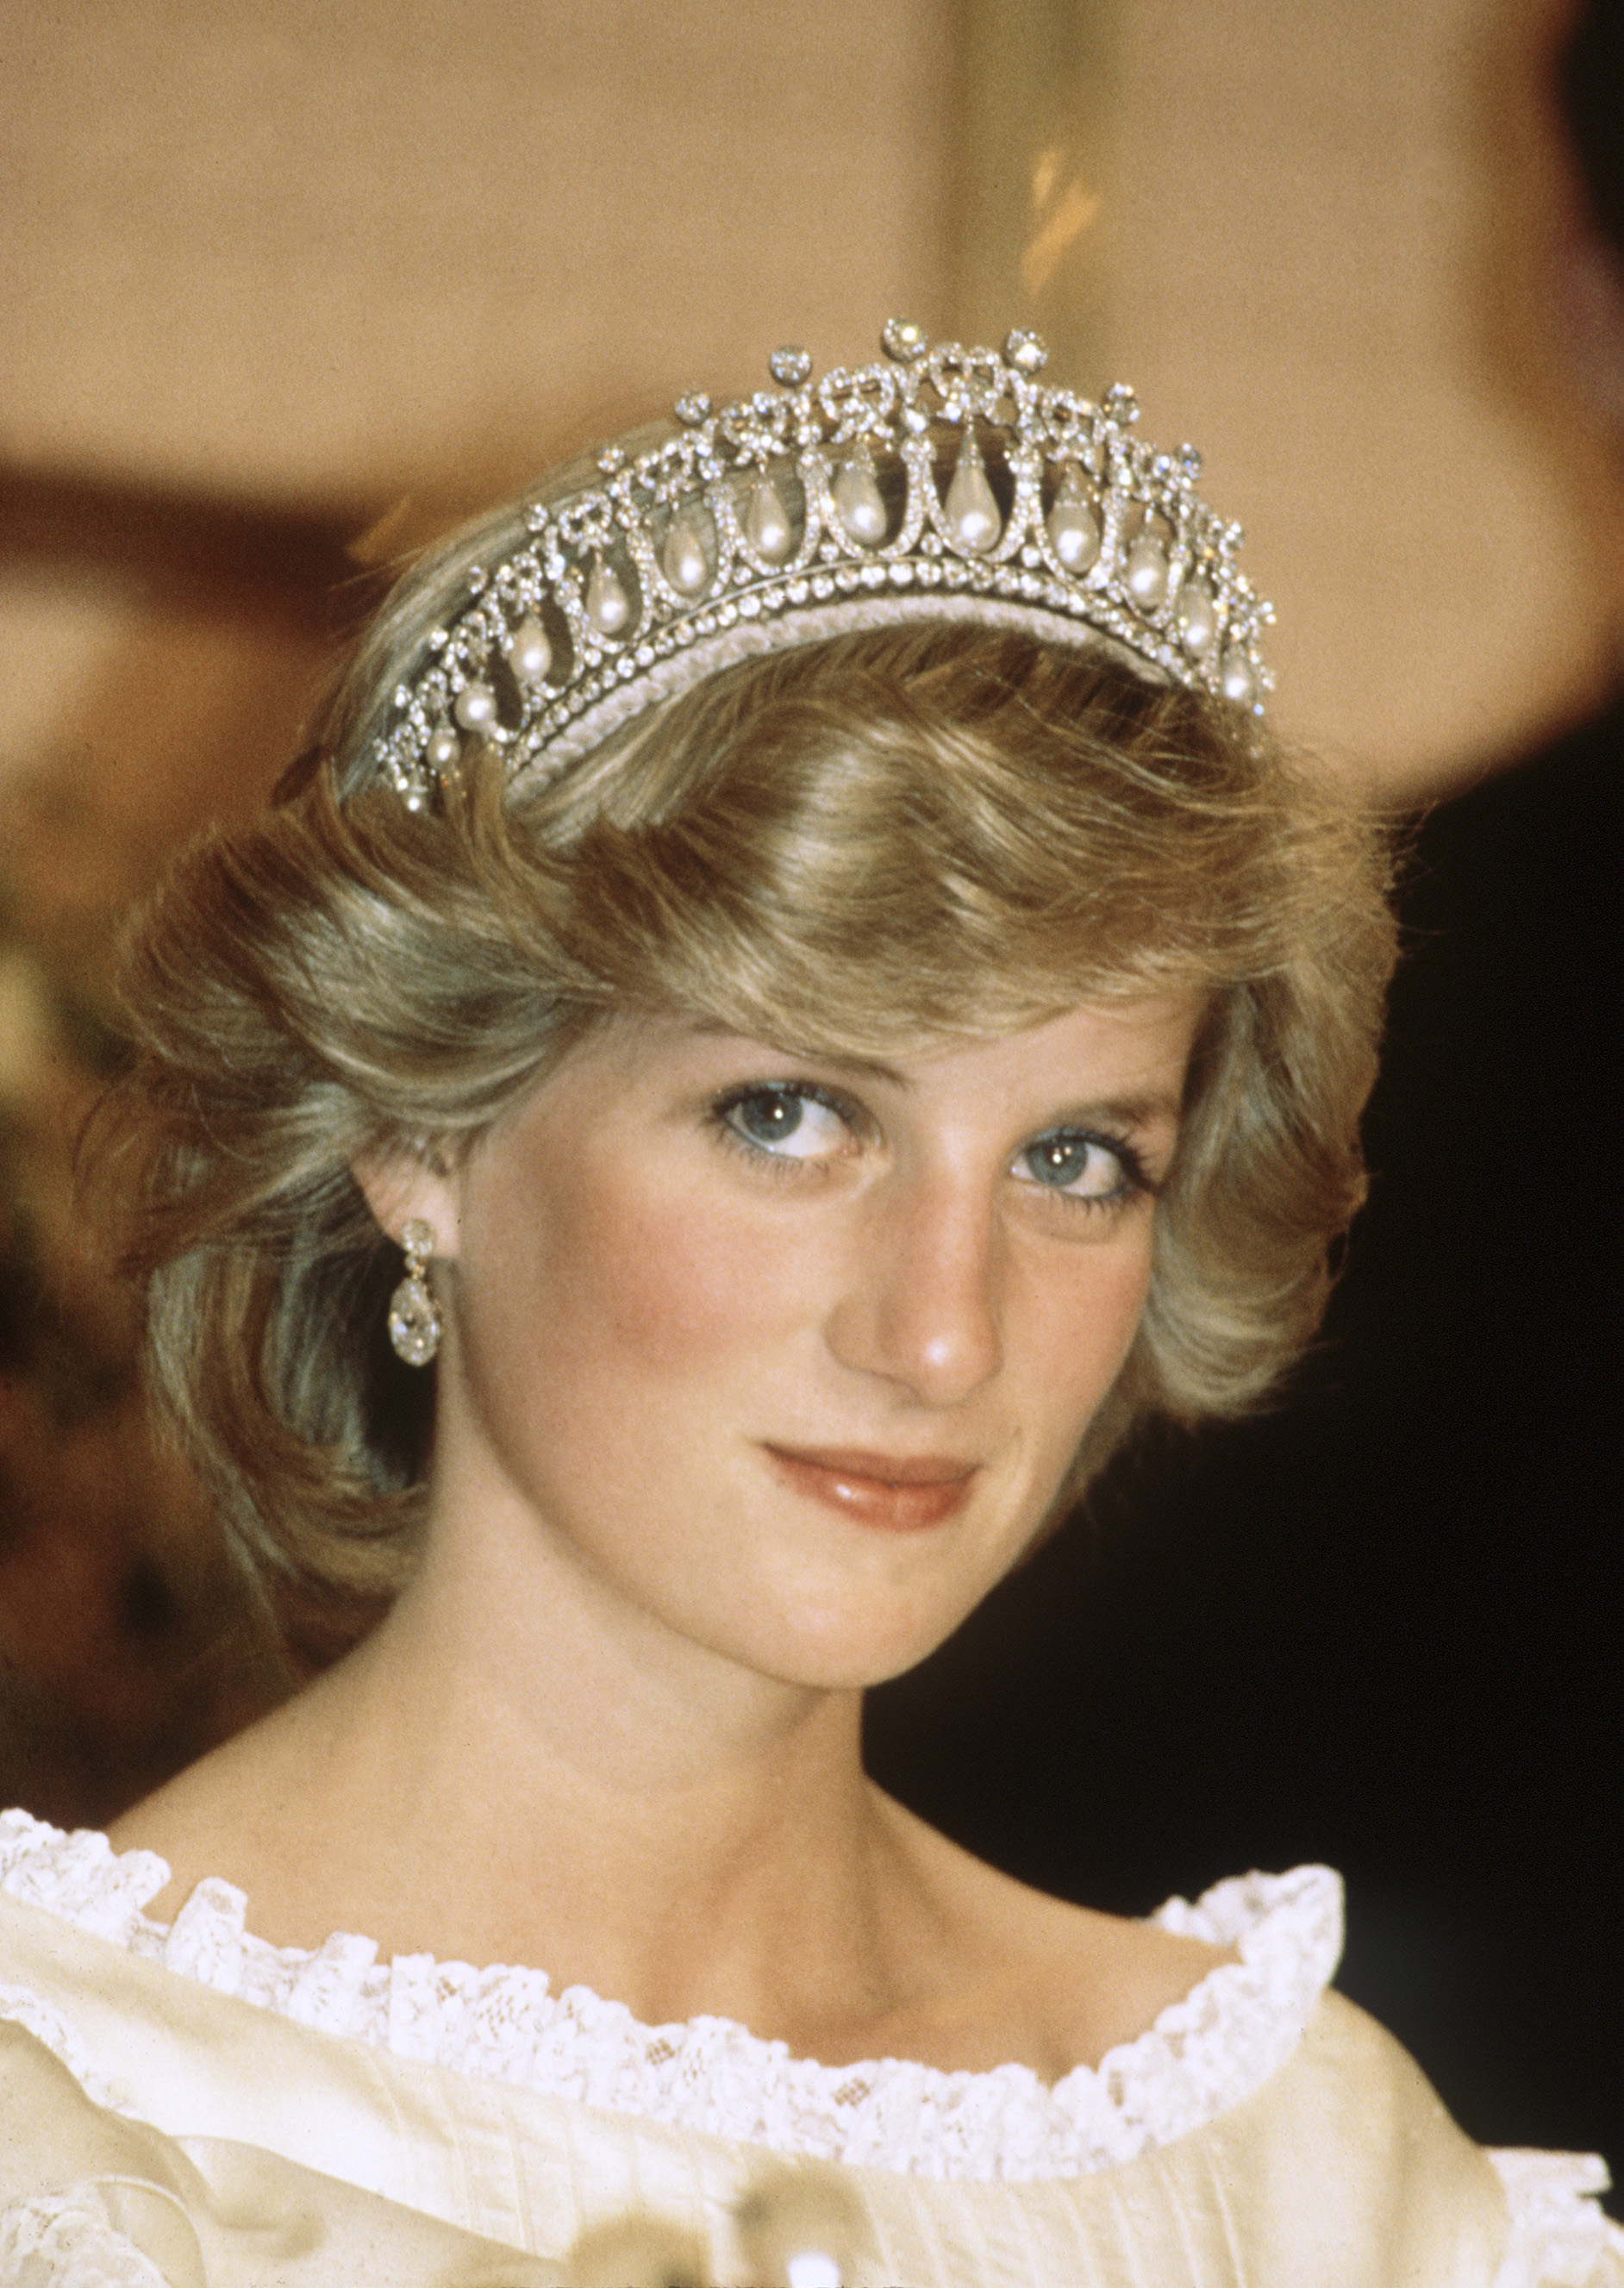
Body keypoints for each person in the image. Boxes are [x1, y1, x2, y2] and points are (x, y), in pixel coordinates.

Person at [0, 323, 1616, 2285]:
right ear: (424, 1130)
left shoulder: (1324, 2184)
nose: (945, 1336)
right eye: (792, 1115)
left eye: (1076, 1159)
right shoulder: (75, 2128)